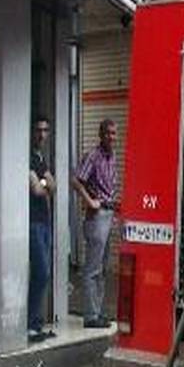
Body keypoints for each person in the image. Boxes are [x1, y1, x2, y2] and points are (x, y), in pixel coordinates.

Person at [72, 119, 120, 328]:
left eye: (114, 133)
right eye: (108, 133)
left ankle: (98, 312)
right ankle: (90, 316)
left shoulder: (112, 156)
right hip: (97, 215)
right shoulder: (93, 156)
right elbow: (76, 180)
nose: (111, 137)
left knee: (102, 267)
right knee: (92, 268)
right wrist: (90, 201)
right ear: (101, 135)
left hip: (109, 213)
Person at [28, 117, 56, 342]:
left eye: (45, 130)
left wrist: (44, 182)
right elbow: (37, 190)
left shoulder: (40, 158)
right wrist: (44, 183)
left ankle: (36, 324)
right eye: (38, 130)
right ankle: (31, 324)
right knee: (41, 271)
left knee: (43, 273)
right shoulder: (28, 157)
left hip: (44, 221)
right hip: (33, 222)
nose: (42, 135)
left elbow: (52, 185)